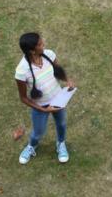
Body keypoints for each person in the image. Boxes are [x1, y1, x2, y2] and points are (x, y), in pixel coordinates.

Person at [15, 32, 75, 164]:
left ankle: (61, 144)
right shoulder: (22, 71)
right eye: (40, 44)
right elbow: (24, 98)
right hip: (40, 106)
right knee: (38, 132)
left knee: (61, 124)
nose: (44, 45)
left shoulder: (49, 54)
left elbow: (58, 70)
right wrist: (43, 110)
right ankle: (32, 146)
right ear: (32, 50)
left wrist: (67, 80)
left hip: (58, 100)